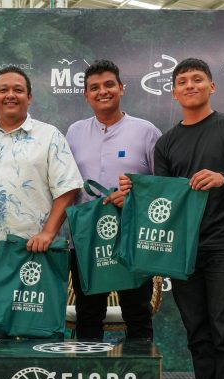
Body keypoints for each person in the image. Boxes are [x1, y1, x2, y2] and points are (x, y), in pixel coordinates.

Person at [120, 58, 224, 379]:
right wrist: (135, 190)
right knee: (196, 328)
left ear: (212, 86)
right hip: (182, 249)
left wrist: (223, 178)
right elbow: (163, 197)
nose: (190, 85)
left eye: (198, 79)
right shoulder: (166, 142)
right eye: (183, 81)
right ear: (174, 92)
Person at [0, 66, 83, 349]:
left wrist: (48, 232)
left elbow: (68, 188)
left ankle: (38, 376)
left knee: (37, 324)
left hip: (34, 249)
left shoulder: (49, 135)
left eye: (18, 90)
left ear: (29, 97)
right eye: (3, 90)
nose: (10, 95)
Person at [66, 59, 161, 340]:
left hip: (132, 238)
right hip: (86, 240)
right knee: (87, 313)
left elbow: (161, 187)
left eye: (109, 84)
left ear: (121, 88)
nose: (102, 91)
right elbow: (66, 184)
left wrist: (134, 196)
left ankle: (139, 368)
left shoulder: (147, 131)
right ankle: (88, 369)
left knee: (137, 312)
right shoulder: (74, 132)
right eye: (94, 87)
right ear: (86, 95)